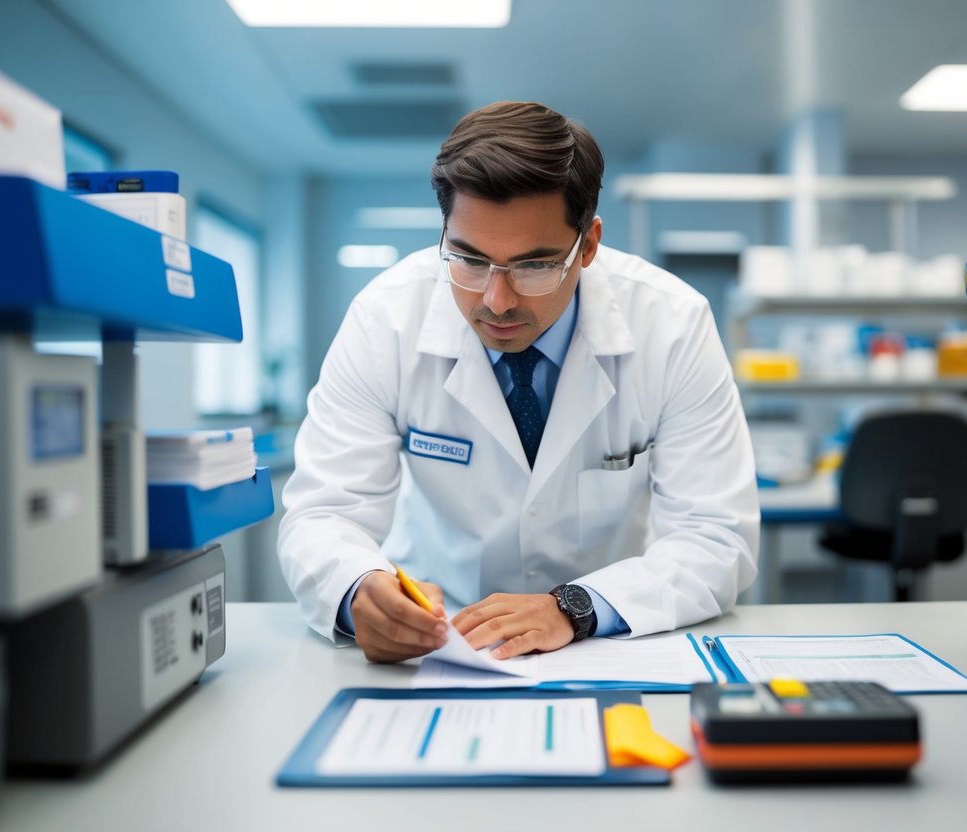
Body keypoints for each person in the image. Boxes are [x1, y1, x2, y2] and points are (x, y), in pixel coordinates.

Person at [278, 101, 758, 664]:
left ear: (590, 245)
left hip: (606, 640)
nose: (496, 301)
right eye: (469, 259)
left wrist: (573, 608)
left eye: (534, 266)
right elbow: (324, 512)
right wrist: (358, 590)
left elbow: (716, 536)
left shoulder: (672, 323)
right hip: (437, 642)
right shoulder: (384, 318)